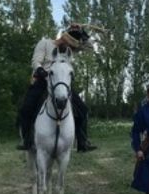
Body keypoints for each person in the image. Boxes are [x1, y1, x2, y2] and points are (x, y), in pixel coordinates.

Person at [16, 23, 97, 153]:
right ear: (64, 38)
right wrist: (41, 71)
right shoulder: (45, 43)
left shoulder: (68, 51)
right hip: (43, 80)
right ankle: (26, 140)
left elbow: (90, 47)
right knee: (27, 108)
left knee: (82, 109)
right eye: (71, 44)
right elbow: (35, 61)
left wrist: (82, 33)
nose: (72, 48)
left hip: (62, 83)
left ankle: (82, 142)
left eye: (73, 46)